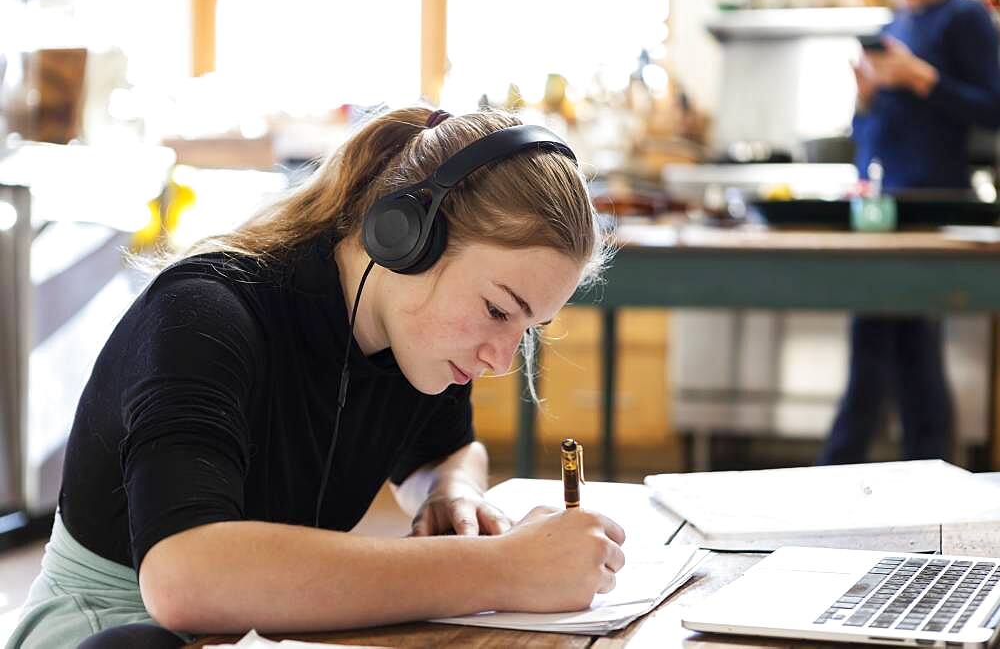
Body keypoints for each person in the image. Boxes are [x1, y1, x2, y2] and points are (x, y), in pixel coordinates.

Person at [8, 106, 625, 648]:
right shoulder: (204, 314)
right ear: (408, 237)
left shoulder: (412, 338)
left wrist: (450, 494)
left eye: (528, 327)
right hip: (116, 629)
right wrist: (502, 567)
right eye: (496, 310)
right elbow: (183, 576)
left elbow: (448, 451)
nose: (499, 359)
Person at [818, 0, 1000, 465]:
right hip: (880, 202)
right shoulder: (896, 22)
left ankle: (840, 467)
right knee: (901, 353)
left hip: (929, 206)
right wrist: (866, 96)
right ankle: (919, 467)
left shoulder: (965, 17)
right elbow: (869, 129)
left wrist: (921, 77)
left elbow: (992, 108)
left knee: (885, 351)